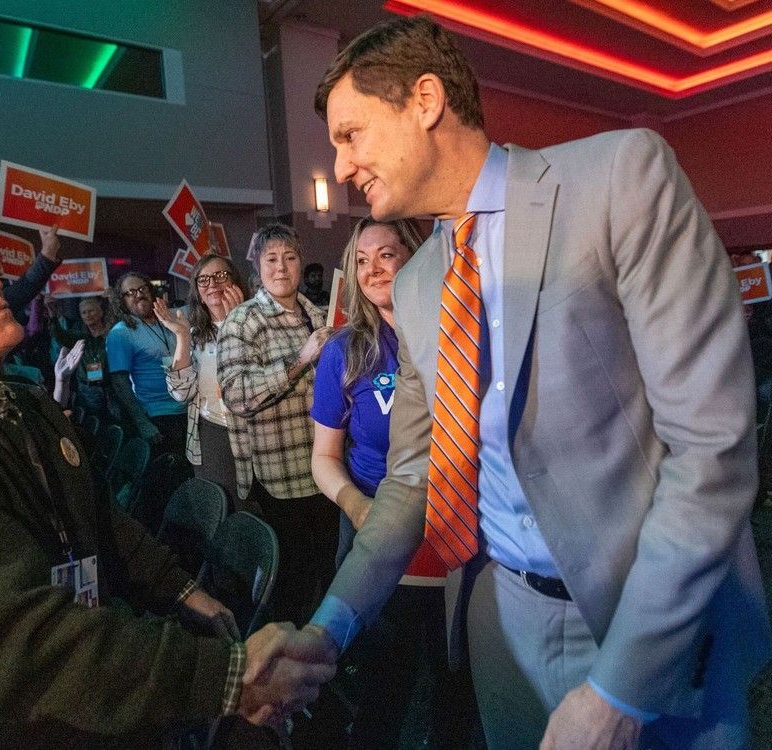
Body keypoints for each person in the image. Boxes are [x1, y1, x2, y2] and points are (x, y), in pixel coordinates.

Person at [254, 15, 772, 750]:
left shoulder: (619, 176)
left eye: (351, 134)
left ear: (425, 100)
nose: (339, 168)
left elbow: (711, 451)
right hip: (499, 617)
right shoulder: (421, 280)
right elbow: (412, 476)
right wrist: (330, 626)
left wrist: (622, 692)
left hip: (645, 619)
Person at [0, 204, 336, 748]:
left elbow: (98, 517)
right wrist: (227, 676)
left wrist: (185, 590)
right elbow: (25, 645)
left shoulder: (18, 405)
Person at [310, 217, 475, 748]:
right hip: (376, 524)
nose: (374, 269)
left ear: (416, 257)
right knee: (387, 677)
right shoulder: (344, 350)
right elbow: (324, 457)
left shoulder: (456, 332)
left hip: (455, 531)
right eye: (361, 260)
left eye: (387, 254)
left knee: (455, 674)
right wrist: (359, 508)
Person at [217, 224, 337, 627]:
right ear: (257, 267)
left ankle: (326, 654)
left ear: (301, 263)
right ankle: (288, 661)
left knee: (329, 569)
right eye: (271, 259)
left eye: (289, 257)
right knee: (293, 583)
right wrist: (300, 360)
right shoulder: (243, 321)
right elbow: (237, 395)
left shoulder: (319, 315)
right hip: (282, 477)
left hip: (329, 469)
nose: (282, 267)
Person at [153, 254, 248, 502]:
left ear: (235, 281)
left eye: (220, 276)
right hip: (214, 430)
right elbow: (180, 394)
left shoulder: (256, 322)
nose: (212, 285)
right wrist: (182, 337)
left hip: (254, 428)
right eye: (203, 280)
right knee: (223, 505)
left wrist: (234, 319)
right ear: (197, 291)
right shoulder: (194, 333)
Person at [107, 272, 188, 456]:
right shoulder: (121, 333)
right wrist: (143, 423)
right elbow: (120, 384)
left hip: (188, 410)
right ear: (122, 301)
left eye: (142, 288)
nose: (138, 294)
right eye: (130, 292)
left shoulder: (166, 319)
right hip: (158, 416)